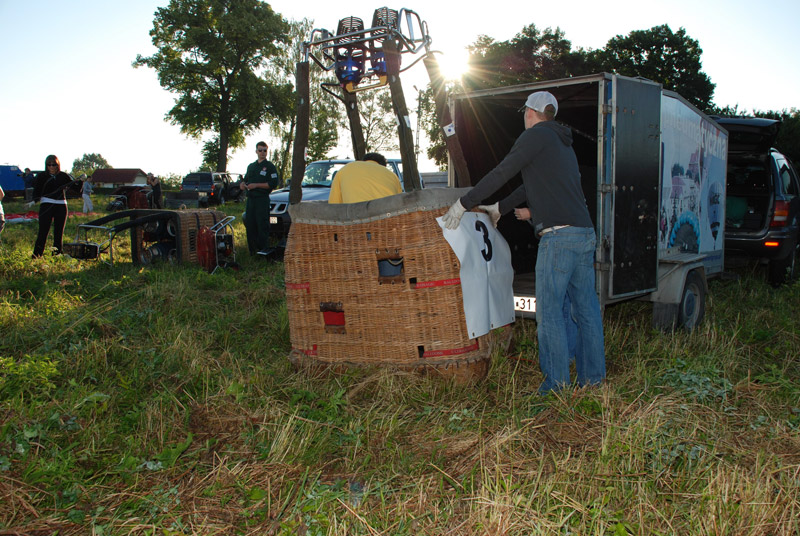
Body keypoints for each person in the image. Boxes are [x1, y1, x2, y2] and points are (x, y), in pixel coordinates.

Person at [442, 91, 605, 394]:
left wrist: (464, 202)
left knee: (550, 314)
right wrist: (500, 208)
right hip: (584, 234)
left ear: (530, 112)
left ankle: (555, 387)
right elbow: (530, 185)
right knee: (586, 312)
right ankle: (593, 381)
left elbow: (504, 171)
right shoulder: (562, 143)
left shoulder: (535, 136)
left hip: (558, 239)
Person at [241, 141, 279, 255]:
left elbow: (273, 183)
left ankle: (263, 250)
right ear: (256, 151)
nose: (262, 152)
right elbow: (245, 180)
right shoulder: (251, 166)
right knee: (250, 224)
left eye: (265, 150)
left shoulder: (270, 167)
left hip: (262, 199)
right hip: (251, 200)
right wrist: (242, 185)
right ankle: (252, 251)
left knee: (262, 224)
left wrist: (256, 185)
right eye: (260, 150)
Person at [31, 155, 73, 258]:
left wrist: (80, 181)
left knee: (59, 232)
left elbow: (75, 189)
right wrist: (34, 200)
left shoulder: (63, 176)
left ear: (57, 165)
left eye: (53, 165)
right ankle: (37, 255)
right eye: (49, 165)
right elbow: (37, 189)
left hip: (61, 205)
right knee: (43, 231)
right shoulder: (42, 176)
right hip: (46, 204)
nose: (51, 167)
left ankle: (56, 255)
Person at [328, 152, 402, 204]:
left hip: (356, 217)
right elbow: (399, 203)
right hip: (386, 218)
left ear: (363, 161)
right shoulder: (392, 175)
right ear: (382, 166)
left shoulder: (346, 169)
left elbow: (334, 204)